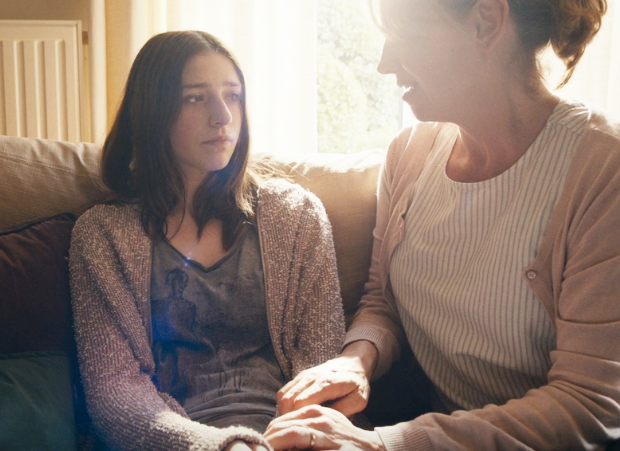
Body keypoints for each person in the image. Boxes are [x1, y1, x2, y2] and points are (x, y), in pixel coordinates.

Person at [263, 0, 620, 449]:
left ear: (486, 22)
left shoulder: (603, 169)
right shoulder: (409, 153)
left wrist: (383, 443)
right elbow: (382, 302)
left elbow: (589, 404)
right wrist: (357, 360)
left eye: (401, 34)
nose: (384, 63)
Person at [69, 30, 345, 451]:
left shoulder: (296, 215)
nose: (223, 116)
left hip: (294, 437)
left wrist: (288, 440)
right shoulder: (103, 235)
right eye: (195, 98)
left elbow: (322, 362)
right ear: (153, 112)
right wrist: (225, 447)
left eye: (232, 95)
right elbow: (114, 394)